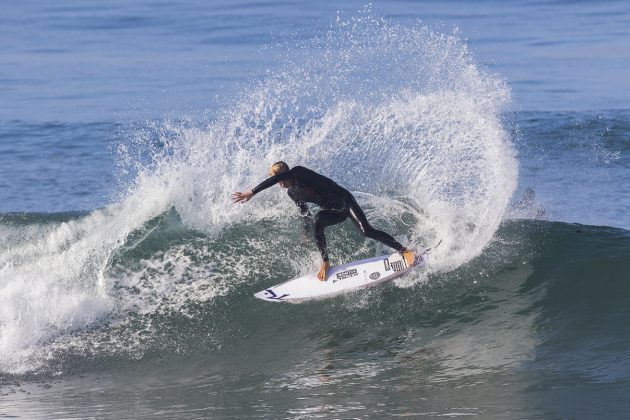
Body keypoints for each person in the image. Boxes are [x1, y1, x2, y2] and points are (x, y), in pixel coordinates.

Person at [232, 161, 415, 280]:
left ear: (284, 175)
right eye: (276, 180)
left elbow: (279, 178)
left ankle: (403, 250)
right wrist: (307, 233)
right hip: (332, 211)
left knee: (366, 231)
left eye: (278, 179)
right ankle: (326, 261)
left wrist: (252, 192)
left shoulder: (299, 172)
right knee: (317, 220)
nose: (278, 184)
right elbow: (304, 212)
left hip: (345, 201)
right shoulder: (292, 192)